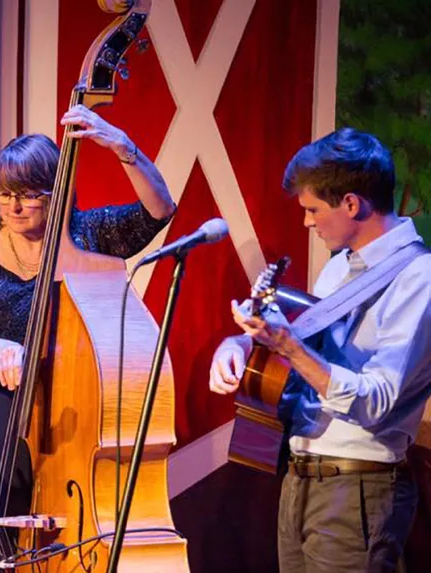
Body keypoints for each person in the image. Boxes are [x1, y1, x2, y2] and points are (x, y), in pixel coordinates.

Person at [0, 105, 176, 573]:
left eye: (27, 195)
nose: (13, 207)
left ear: (59, 192)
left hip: (70, 421)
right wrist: (1, 347)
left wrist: (122, 146)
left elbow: (159, 211)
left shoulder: (87, 235)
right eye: (3, 195)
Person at [209, 128, 431, 572]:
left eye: (313, 209)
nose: (307, 222)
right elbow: (300, 349)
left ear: (352, 204)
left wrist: (288, 347)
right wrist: (241, 344)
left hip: (358, 490)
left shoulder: (418, 278)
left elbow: (377, 401)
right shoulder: (336, 271)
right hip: (301, 478)